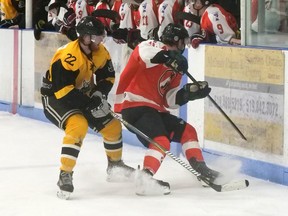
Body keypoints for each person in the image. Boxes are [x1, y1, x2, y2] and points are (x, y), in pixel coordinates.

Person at [114, 23, 221, 195]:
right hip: (135, 107)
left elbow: (169, 101)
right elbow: (144, 54)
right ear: (176, 40)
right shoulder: (151, 46)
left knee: (188, 131)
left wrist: (188, 94)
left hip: (156, 110)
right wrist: (168, 57)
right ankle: (145, 179)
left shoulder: (176, 68)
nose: (184, 46)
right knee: (161, 140)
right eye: (183, 41)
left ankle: (202, 172)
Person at [40, 16, 134, 199]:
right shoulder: (67, 56)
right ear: (84, 37)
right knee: (78, 125)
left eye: (101, 37)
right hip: (55, 97)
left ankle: (115, 166)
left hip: (83, 95)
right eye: (97, 37)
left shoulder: (99, 52)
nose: (100, 41)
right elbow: (63, 90)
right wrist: (89, 103)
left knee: (113, 126)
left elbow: (107, 77)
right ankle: (65, 174)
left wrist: (99, 94)